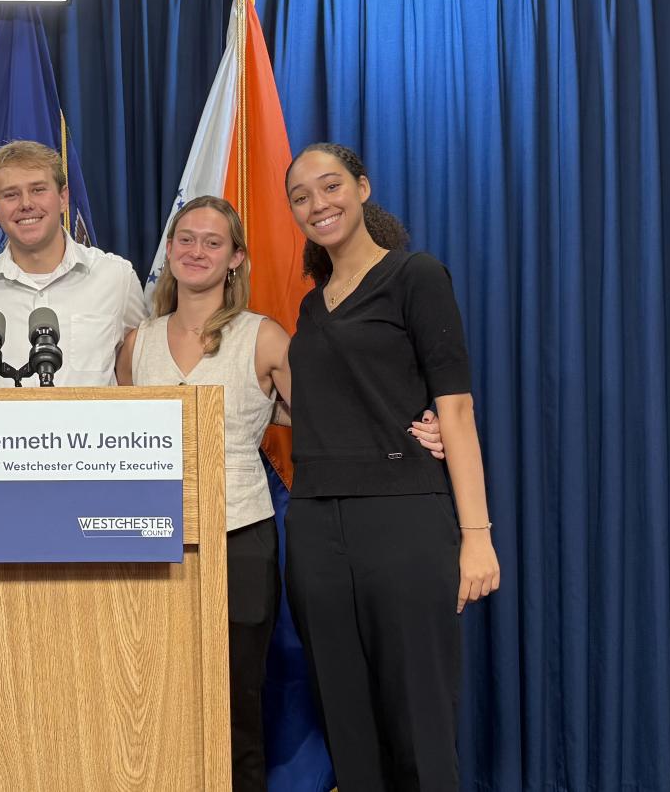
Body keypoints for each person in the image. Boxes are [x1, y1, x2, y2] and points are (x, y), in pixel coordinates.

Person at [115, 195, 444, 791]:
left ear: (236, 258)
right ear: (169, 249)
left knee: (241, 699)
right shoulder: (137, 345)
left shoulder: (264, 338)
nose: (197, 251)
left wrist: (420, 426)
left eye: (213, 242)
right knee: (154, 696)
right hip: (152, 538)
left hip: (241, 535)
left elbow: (328, 415)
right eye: (186, 238)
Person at [282, 143, 501, 792]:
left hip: (405, 520)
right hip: (317, 529)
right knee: (347, 720)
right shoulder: (310, 307)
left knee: (419, 722)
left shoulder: (416, 276)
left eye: (330, 186)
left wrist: (477, 536)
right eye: (301, 196)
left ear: (362, 187)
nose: (318, 203)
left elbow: (455, 411)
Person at [0, 140, 147, 386]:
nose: (26, 204)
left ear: (63, 197)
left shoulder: (116, 277)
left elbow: (140, 370)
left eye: (38, 190)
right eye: (11, 195)